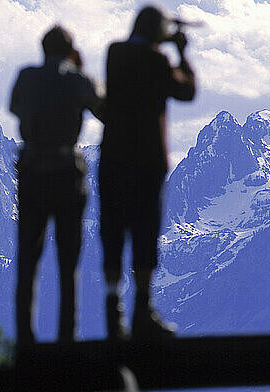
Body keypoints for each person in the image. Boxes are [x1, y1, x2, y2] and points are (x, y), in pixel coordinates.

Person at [99, 6, 196, 340]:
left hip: (113, 158)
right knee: (144, 233)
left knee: (112, 230)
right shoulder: (158, 62)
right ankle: (143, 310)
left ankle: (113, 312)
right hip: (146, 162)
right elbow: (187, 91)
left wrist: (162, 38)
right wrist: (180, 50)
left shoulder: (114, 53)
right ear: (157, 31)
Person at [10, 25, 104, 346]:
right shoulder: (78, 80)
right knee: (69, 261)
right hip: (67, 173)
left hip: (32, 170)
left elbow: (14, 107)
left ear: (42, 47)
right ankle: (68, 338)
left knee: (27, 258)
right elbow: (104, 108)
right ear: (70, 50)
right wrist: (80, 70)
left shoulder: (26, 76)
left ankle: (25, 339)